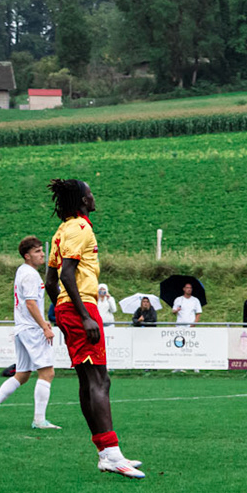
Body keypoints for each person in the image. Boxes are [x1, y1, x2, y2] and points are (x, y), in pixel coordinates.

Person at [44, 179, 144, 477]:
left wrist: (61, 311)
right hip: (82, 306)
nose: (93, 196)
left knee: (93, 379)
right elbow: (67, 275)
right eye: (90, 192)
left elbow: (51, 281)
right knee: (98, 380)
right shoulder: (80, 228)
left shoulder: (62, 230)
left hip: (69, 308)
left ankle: (105, 452)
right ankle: (112, 455)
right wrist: (83, 315)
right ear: (83, 199)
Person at [0, 237, 60, 430]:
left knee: (23, 375)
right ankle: (39, 420)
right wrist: (44, 326)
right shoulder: (31, 275)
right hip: (32, 330)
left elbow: (29, 303)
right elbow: (30, 303)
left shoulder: (22, 271)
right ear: (27, 255)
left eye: (42, 250)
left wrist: (41, 321)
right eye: (38, 251)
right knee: (47, 372)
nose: (42, 254)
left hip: (22, 328)